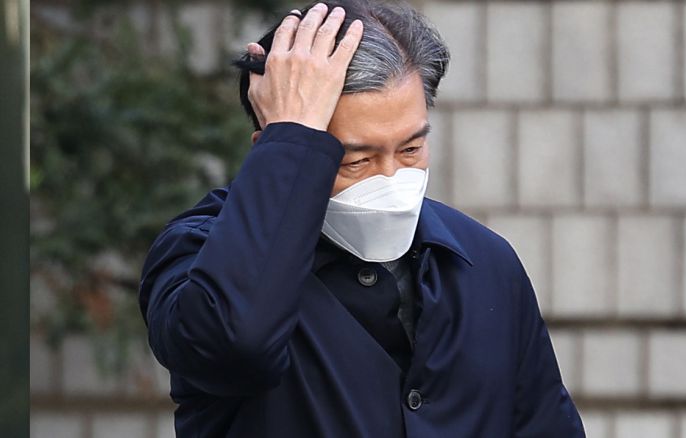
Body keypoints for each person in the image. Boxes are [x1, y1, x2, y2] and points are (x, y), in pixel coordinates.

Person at [139, 0, 585, 436]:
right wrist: (293, 134)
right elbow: (232, 347)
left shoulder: (483, 261)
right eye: (356, 161)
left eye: (411, 149)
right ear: (274, 148)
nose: (390, 179)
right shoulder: (198, 252)